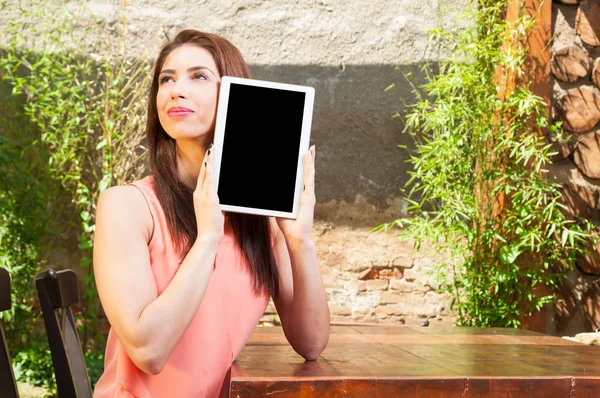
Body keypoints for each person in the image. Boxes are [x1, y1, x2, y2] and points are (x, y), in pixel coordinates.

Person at [92, 29, 330, 398]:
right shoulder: (127, 206)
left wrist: (300, 242)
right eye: (166, 79)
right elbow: (148, 352)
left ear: (239, 96)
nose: (176, 90)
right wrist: (207, 239)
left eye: (199, 76)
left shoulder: (262, 220)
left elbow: (311, 343)